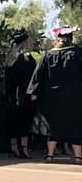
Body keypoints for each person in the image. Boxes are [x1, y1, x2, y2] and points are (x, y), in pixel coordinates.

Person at [27, 26, 82, 163]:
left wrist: (33, 91)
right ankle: (78, 157)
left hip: (52, 96)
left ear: (58, 39)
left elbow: (38, 74)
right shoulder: (78, 53)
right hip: (74, 96)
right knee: (75, 125)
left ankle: (50, 155)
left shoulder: (48, 54)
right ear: (71, 38)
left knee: (52, 126)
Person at [3, 31, 37, 160]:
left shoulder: (10, 58)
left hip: (11, 95)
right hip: (23, 94)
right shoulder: (27, 59)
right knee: (24, 122)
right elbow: (31, 78)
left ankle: (14, 147)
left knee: (13, 121)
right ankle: (24, 148)